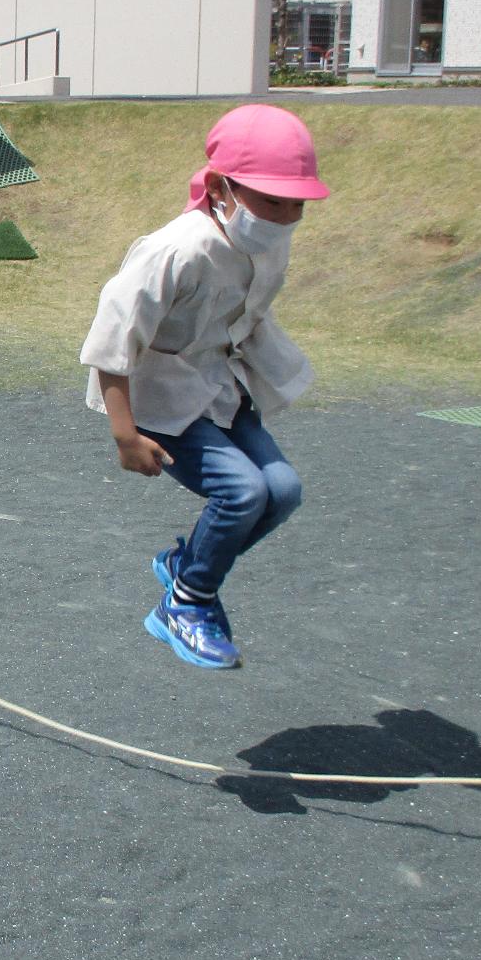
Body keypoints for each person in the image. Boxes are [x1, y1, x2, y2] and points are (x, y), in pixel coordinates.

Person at [79, 104, 332, 670]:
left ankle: (185, 566)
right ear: (221, 187)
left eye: (298, 204)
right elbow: (113, 336)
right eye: (272, 202)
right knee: (242, 493)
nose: (287, 216)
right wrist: (125, 436)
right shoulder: (178, 250)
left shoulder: (266, 241)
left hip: (220, 384)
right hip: (160, 399)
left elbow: (244, 317)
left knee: (283, 492)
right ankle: (186, 604)